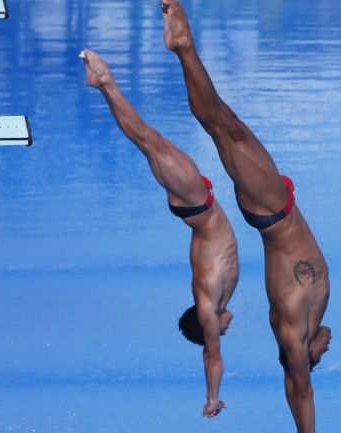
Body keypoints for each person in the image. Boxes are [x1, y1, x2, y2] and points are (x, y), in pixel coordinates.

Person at [160, 2, 332, 432]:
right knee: (223, 125)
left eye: (321, 357)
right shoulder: (308, 321)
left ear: (304, 359)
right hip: (273, 211)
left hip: (273, 211)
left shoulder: (295, 335)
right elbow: (296, 386)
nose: (330, 348)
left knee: (222, 124)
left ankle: (184, 47)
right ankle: (183, 48)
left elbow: (300, 390)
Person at [82, 49, 239, 418]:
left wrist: (212, 397)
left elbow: (212, 355)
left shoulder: (206, 305)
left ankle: (104, 81)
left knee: (148, 140)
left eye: (218, 332)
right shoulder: (215, 300)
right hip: (196, 204)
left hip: (196, 203)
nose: (225, 331)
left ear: (206, 326)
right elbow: (211, 347)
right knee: (147, 141)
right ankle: (102, 83)